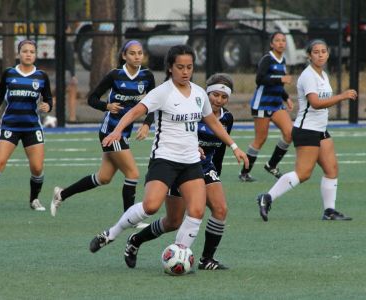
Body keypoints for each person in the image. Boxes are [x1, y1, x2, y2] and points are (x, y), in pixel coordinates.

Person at [87, 45, 248, 261]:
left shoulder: (199, 93)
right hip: (165, 159)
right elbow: (136, 111)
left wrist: (234, 146)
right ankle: (111, 234)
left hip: (191, 162)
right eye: (180, 67)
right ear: (170, 68)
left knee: (196, 211)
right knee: (151, 206)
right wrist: (117, 131)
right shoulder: (162, 92)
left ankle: (178, 256)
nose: (185, 71)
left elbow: (212, 121)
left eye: (189, 67)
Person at [123, 73, 235, 270]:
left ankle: (206, 259)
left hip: (205, 168)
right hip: (178, 165)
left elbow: (220, 149)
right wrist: (147, 123)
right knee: (173, 221)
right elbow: (157, 107)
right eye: (215, 95)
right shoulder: (192, 107)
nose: (218, 100)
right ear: (206, 94)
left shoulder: (227, 118)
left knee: (220, 209)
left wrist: (216, 173)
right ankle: (136, 240)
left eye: (224, 97)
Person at [51, 40, 155, 227]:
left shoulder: (147, 76)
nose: (137, 56)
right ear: (124, 55)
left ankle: (61, 194)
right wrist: (106, 106)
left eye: (140, 53)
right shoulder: (115, 75)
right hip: (110, 131)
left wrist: (147, 123)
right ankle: (129, 219)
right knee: (133, 173)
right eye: (132, 53)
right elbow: (92, 98)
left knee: (104, 178)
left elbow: (154, 102)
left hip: (124, 133)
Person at [256, 39, 357, 222]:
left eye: (323, 51)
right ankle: (267, 197)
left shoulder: (323, 75)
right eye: (316, 52)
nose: (320, 55)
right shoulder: (308, 75)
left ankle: (329, 211)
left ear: (327, 54)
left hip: (320, 130)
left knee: (331, 169)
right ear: (309, 56)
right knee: (303, 173)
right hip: (307, 130)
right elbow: (316, 103)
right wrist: (342, 96)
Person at [0, 40, 53, 213]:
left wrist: (48, 106)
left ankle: (34, 199)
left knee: (37, 168)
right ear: (18, 54)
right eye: (25, 51)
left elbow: (48, 98)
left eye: (32, 51)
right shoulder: (9, 73)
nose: (28, 54)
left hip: (32, 127)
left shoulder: (41, 76)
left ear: (35, 54)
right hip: (10, 126)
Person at [239, 31, 294, 182]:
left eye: (283, 40)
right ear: (272, 44)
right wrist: (280, 78)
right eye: (277, 40)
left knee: (290, 133)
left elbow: (278, 85)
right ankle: (244, 172)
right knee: (261, 139)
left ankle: (271, 165)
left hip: (276, 105)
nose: (281, 43)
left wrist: (286, 97)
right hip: (262, 105)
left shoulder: (282, 61)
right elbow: (260, 79)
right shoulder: (267, 59)